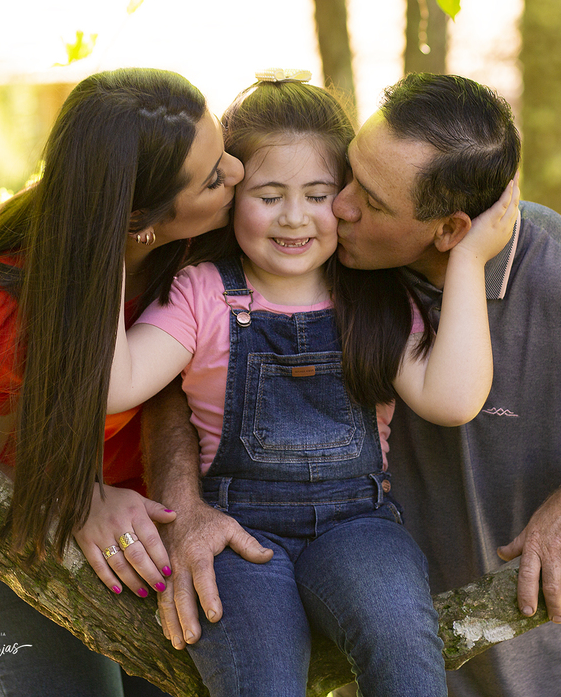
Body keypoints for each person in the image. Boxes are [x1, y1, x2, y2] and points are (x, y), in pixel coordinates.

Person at [145, 73, 561, 697]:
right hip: (382, 642)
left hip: (552, 667)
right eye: (348, 175)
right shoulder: (339, 263)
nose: (339, 206)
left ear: (450, 231)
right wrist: (183, 509)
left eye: (369, 201)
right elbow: (186, 378)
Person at [108, 74, 519, 696]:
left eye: (318, 194)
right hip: (235, 533)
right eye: (269, 195)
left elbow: (452, 399)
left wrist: (468, 260)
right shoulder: (203, 293)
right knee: (261, 682)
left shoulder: (375, 296)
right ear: (232, 195)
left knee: (405, 652)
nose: (294, 217)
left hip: (359, 525)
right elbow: (118, 384)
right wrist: (105, 246)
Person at [0, 68, 260, 696]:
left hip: (147, 520)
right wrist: (73, 496)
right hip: (1, 524)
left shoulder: (202, 245)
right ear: (138, 220)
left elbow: (175, 392)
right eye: (214, 177)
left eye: (223, 151)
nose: (238, 173)